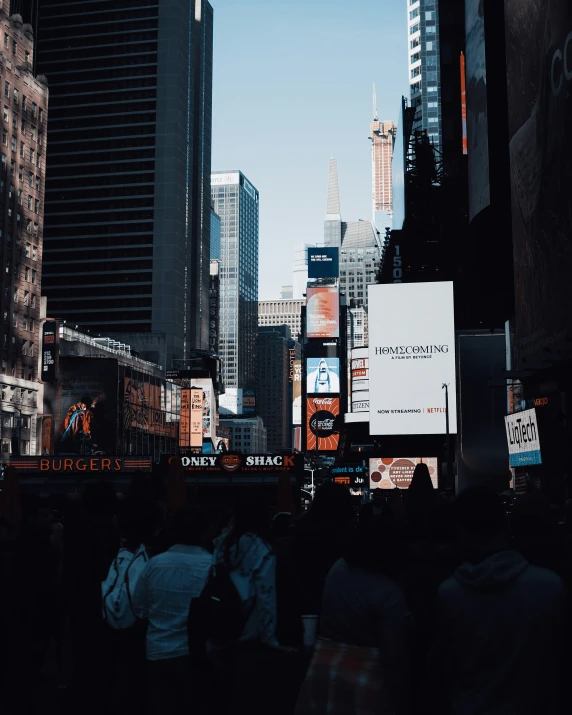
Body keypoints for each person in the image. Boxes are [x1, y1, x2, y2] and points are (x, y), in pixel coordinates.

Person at [428, 487, 567, 715]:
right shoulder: (549, 586)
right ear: (505, 525)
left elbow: (442, 666)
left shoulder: (448, 593)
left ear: (460, 532)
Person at [295, 524, 410, 715]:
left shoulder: (338, 569)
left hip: (322, 669)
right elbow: (394, 657)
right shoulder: (389, 594)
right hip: (366, 681)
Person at [132, 507, 212, 715]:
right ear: (204, 533)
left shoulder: (154, 564)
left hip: (157, 650)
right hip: (196, 652)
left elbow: (138, 607)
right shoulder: (210, 564)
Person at [210, 498, 283, 714]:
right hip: (249, 628)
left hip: (218, 624)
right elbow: (266, 593)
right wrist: (270, 638)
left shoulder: (222, 543)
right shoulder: (262, 548)